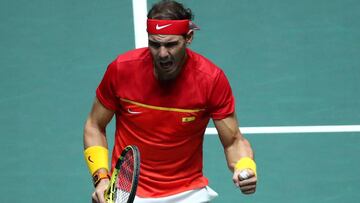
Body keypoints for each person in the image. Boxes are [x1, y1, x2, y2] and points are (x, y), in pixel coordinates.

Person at [83, 0, 257, 202]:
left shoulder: (210, 80)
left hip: (187, 193)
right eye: (155, 44)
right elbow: (94, 125)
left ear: (189, 37)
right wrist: (101, 179)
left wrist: (246, 166)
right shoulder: (122, 70)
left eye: (171, 44)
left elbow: (233, 140)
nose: (162, 54)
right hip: (128, 191)